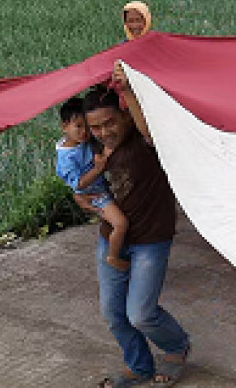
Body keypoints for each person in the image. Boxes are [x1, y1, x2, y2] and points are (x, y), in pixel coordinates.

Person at [88, 66, 191, 387]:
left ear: (126, 118)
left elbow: (148, 129)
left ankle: (176, 347)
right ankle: (140, 367)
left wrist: (129, 90)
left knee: (141, 315)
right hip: (112, 241)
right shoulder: (97, 152)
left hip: (150, 240)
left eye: (110, 123)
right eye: (96, 127)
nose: (104, 132)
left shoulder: (146, 143)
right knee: (114, 314)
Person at [54, 96, 131, 272]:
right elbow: (78, 184)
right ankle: (113, 256)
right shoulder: (67, 158)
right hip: (97, 195)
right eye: (78, 126)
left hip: (103, 187)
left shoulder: (83, 143)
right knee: (120, 224)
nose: (84, 132)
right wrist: (98, 169)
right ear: (64, 127)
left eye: (87, 126)